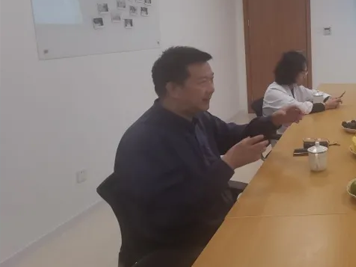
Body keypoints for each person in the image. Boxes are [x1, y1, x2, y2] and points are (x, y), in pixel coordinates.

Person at [111, 46, 304, 266]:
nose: (211, 88)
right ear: (173, 88)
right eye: (202, 82)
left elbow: (232, 134)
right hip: (183, 241)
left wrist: (273, 121)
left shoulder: (197, 117)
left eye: (211, 79)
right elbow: (172, 212)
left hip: (213, 217)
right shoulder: (145, 141)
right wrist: (228, 163)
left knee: (286, 223)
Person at [262, 51, 341, 134]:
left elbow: (313, 93)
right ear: (292, 72)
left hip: (294, 129)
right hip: (281, 136)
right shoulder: (274, 92)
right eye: (303, 72)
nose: (305, 76)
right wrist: (326, 105)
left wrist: (329, 98)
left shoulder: (293, 87)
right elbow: (300, 108)